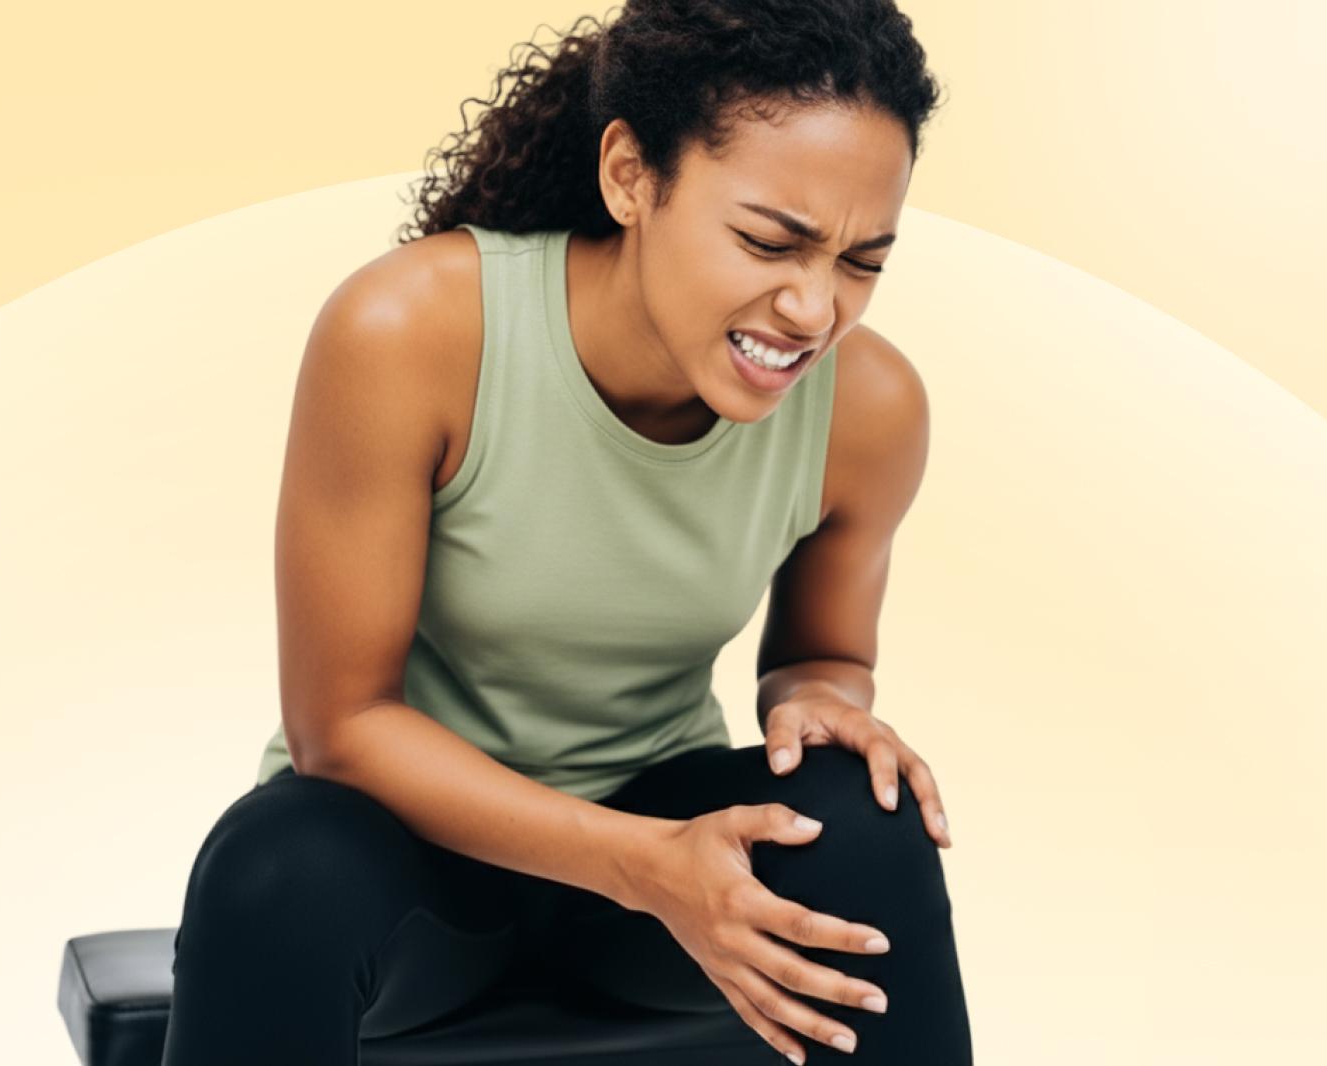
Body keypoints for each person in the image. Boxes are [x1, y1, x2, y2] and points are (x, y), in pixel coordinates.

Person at [159, 1, 971, 1063]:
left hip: (655, 874)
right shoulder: (412, 331)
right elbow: (342, 725)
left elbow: (821, 655)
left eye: (862, 261)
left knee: (866, 818)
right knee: (274, 866)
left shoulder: (868, 410)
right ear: (630, 175)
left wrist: (822, 701)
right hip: (417, 866)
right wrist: (639, 862)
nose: (814, 309)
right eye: (770, 240)